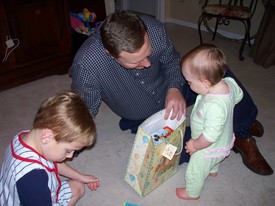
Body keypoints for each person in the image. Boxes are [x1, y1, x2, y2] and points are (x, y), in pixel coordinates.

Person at [69, 10, 273, 175]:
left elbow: (172, 60)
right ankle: (228, 130)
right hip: (143, 116)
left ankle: (243, 132)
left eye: (148, 54)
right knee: (170, 156)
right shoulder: (86, 65)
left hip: (177, 87)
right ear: (109, 53)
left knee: (218, 74)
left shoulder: (155, 30)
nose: (147, 64)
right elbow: (83, 113)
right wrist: (57, 150)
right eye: (137, 62)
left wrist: (174, 87)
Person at [0, 91, 100, 205]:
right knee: (77, 189)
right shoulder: (33, 178)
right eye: (68, 150)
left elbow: (53, 162)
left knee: (78, 186)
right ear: (47, 137)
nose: (71, 156)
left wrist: (81, 177)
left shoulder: (25, 138)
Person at [175, 44, 243, 200]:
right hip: (224, 139)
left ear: (206, 83)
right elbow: (238, 96)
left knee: (196, 169)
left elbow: (210, 136)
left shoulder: (214, 106)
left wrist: (195, 145)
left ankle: (192, 192)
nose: (188, 84)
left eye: (190, 82)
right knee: (215, 159)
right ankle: (213, 169)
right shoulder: (229, 83)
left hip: (207, 146)